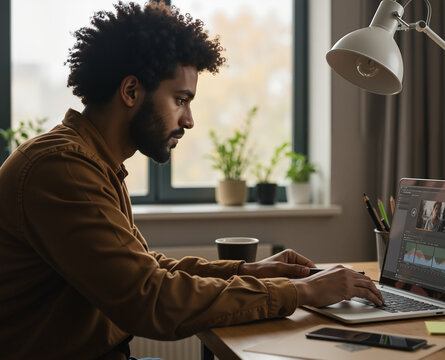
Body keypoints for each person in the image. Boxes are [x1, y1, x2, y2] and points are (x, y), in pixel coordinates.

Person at [0, 2, 383, 359]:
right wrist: (301, 291)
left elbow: (144, 269)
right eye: (180, 99)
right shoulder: (62, 168)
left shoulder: (91, 160)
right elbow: (151, 300)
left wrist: (248, 271)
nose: (189, 120)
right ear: (131, 90)